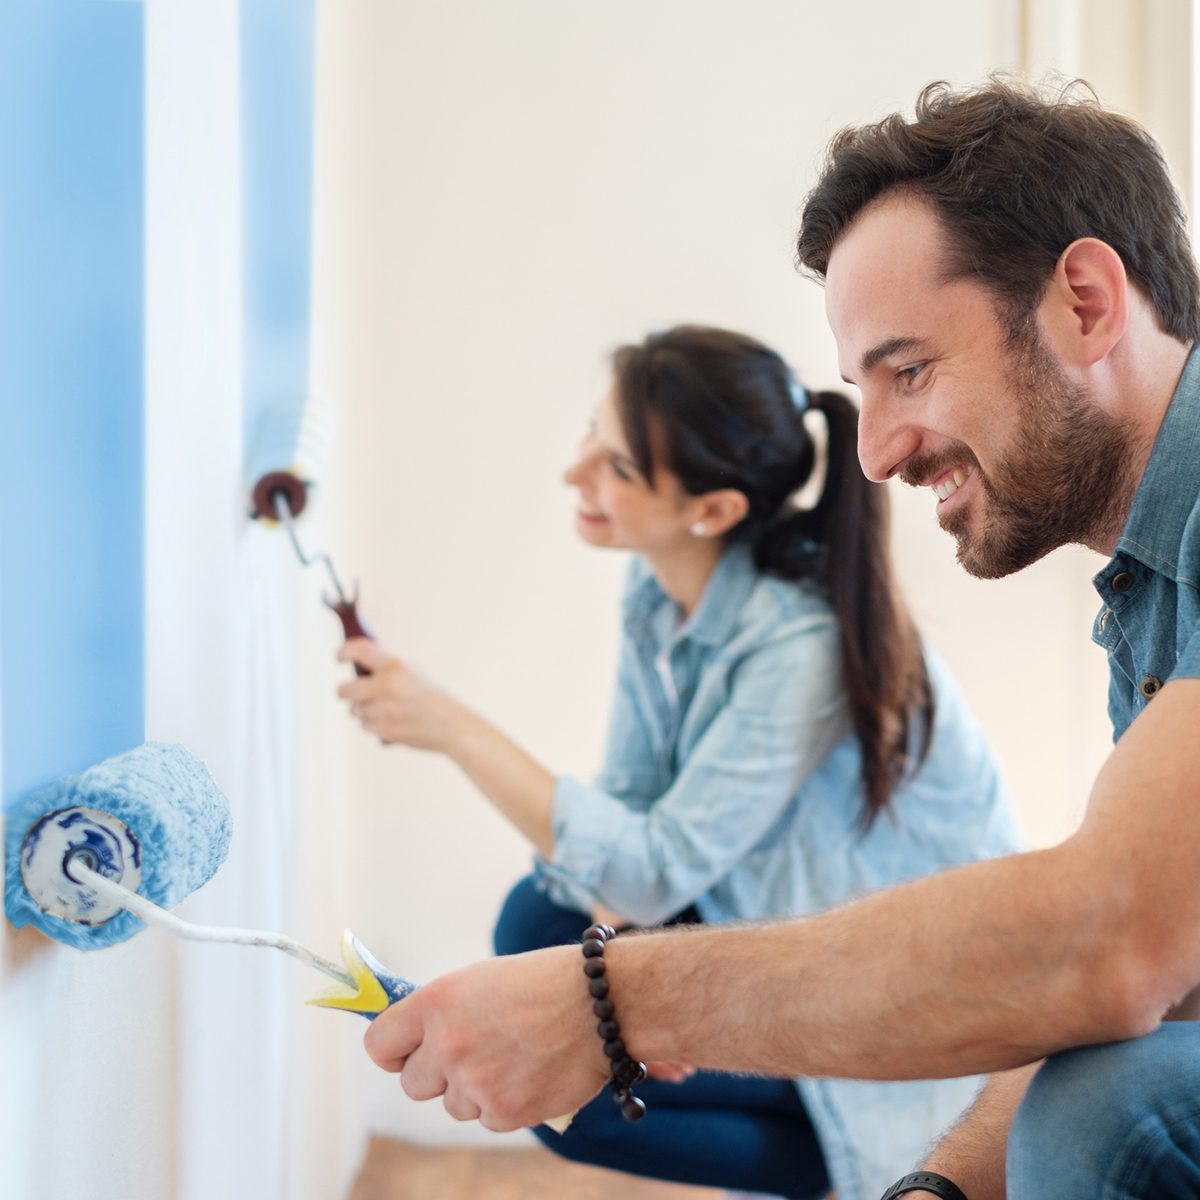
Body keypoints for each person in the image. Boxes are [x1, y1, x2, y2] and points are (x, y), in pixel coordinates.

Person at [358, 78, 1200, 1200]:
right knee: (538, 922)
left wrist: (610, 999)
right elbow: (1158, 972)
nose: (877, 453)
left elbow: (1111, 946)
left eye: (911, 370)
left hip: (941, 1008)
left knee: (1101, 1120)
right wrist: (935, 1191)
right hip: (940, 992)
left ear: (1087, 302)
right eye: (865, 389)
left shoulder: (801, 640)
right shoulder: (1144, 595)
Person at [338, 323, 1019, 1200]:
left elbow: (651, 874)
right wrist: (631, 991)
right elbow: (628, 814)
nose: (575, 471)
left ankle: (858, 1150)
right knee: (537, 929)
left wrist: (452, 729)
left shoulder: (799, 648)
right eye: (595, 432)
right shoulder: (659, 590)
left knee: (565, 1070)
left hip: (900, 997)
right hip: (771, 916)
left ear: (714, 512)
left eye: (616, 466)